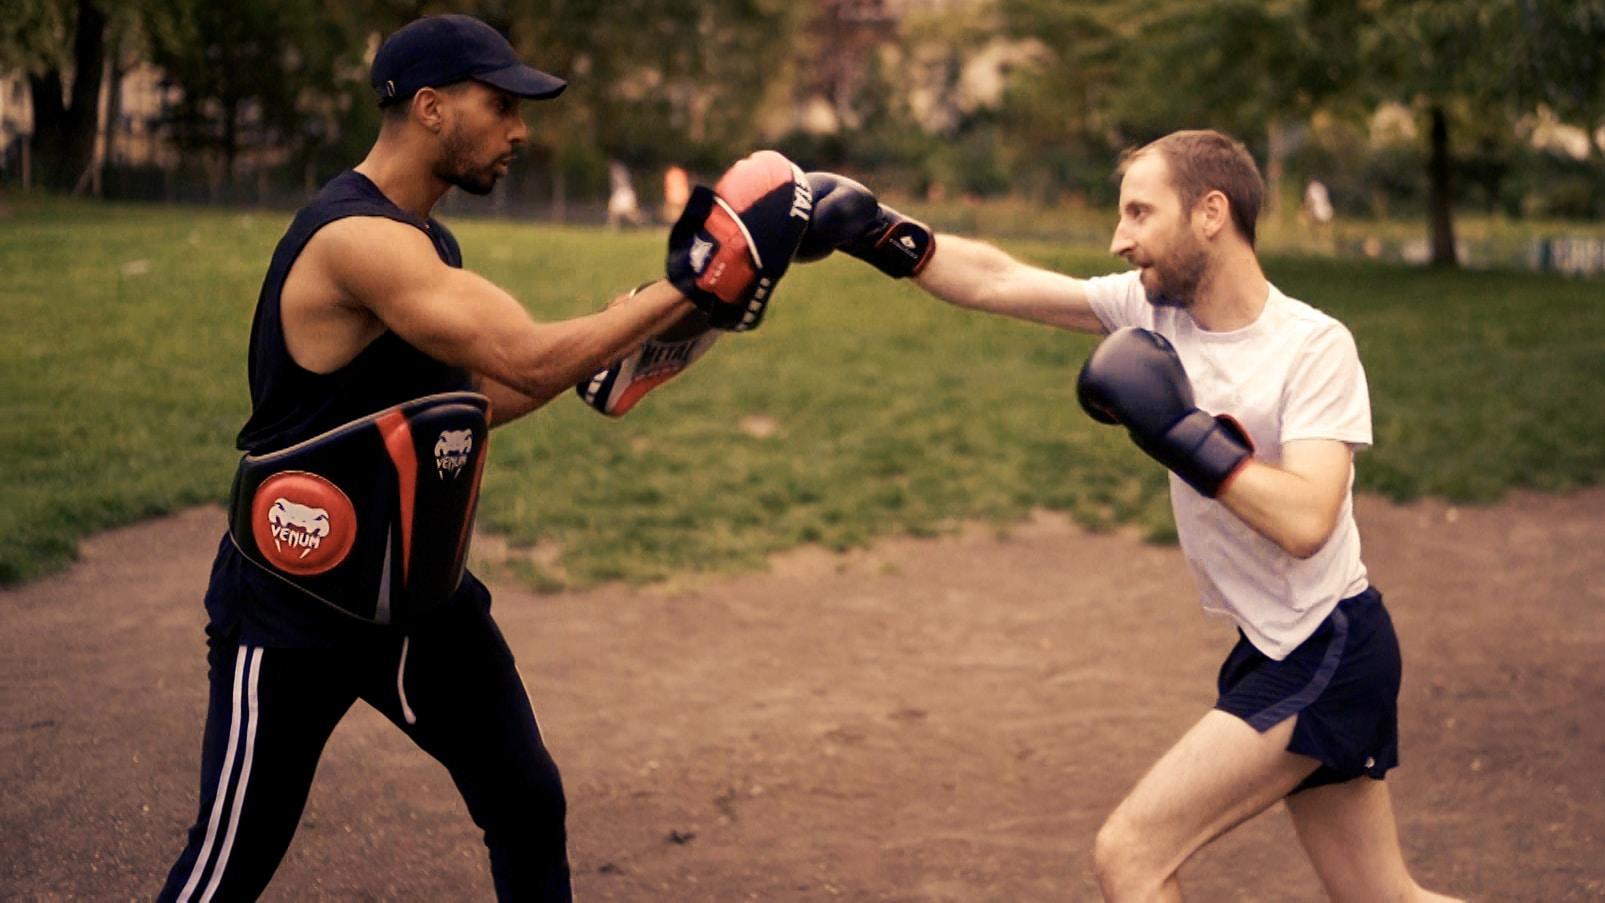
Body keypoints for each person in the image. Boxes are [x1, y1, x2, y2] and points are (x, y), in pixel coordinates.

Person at [157, 14, 811, 901]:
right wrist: (688, 283)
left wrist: (622, 353)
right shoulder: (355, 238)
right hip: (296, 604)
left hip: (423, 601)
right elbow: (526, 355)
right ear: (430, 108)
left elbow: (470, 402)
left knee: (526, 802)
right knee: (230, 866)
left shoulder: (427, 243)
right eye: (499, 105)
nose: (519, 130)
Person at [798, 130, 1458, 901]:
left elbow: (1307, 517)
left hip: (1326, 648)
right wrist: (885, 234)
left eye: (1140, 213)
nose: (1120, 240)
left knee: (1131, 854)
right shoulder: (1153, 312)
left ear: (1210, 213)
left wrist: (1180, 433)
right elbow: (1000, 280)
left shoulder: (1311, 347)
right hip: (1276, 642)